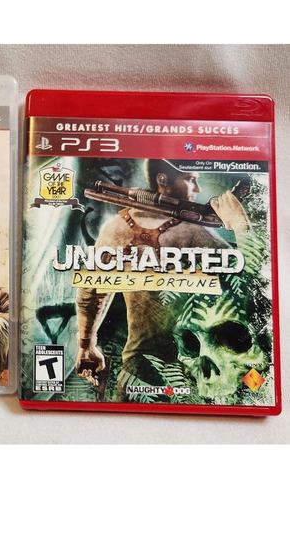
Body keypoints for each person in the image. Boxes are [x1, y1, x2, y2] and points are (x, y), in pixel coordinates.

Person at [75, 159, 250, 398]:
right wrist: (241, 225)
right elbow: (252, 273)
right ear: (162, 180)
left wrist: (86, 345)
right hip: (195, 368)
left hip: (144, 366)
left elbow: (91, 292)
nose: (197, 189)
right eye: (190, 179)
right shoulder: (194, 232)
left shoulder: (115, 229)